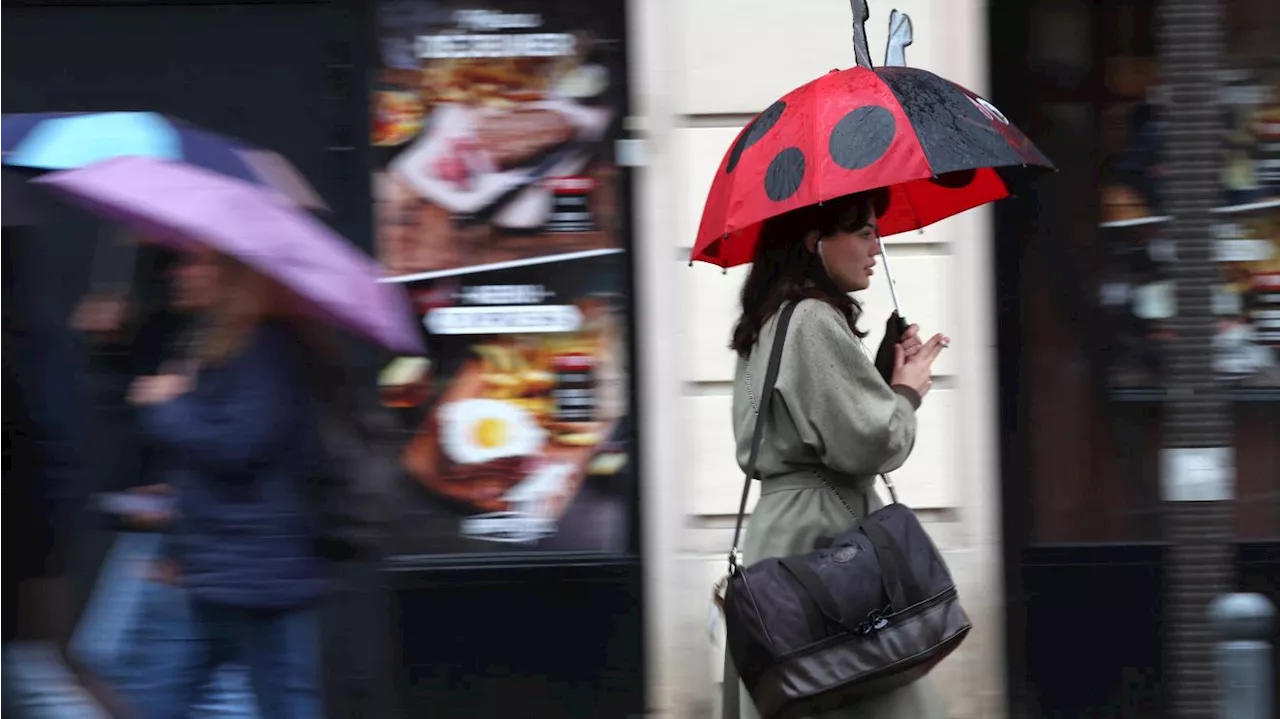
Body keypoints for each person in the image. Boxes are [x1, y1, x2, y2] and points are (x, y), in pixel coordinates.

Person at [721, 189, 950, 719]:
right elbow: (869, 443)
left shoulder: (770, 319)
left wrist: (875, 368)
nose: (877, 246)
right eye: (865, 231)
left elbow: (812, 418)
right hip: (827, 542)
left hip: (780, 536)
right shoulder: (812, 319)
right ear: (815, 240)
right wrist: (907, 390)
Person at [124, 246, 329, 719]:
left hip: (260, 573)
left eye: (197, 262)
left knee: (284, 702)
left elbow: (238, 446)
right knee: (159, 698)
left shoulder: (263, 349)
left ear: (234, 273)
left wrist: (165, 405)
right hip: (216, 567)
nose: (180, 273)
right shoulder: (216, 345)